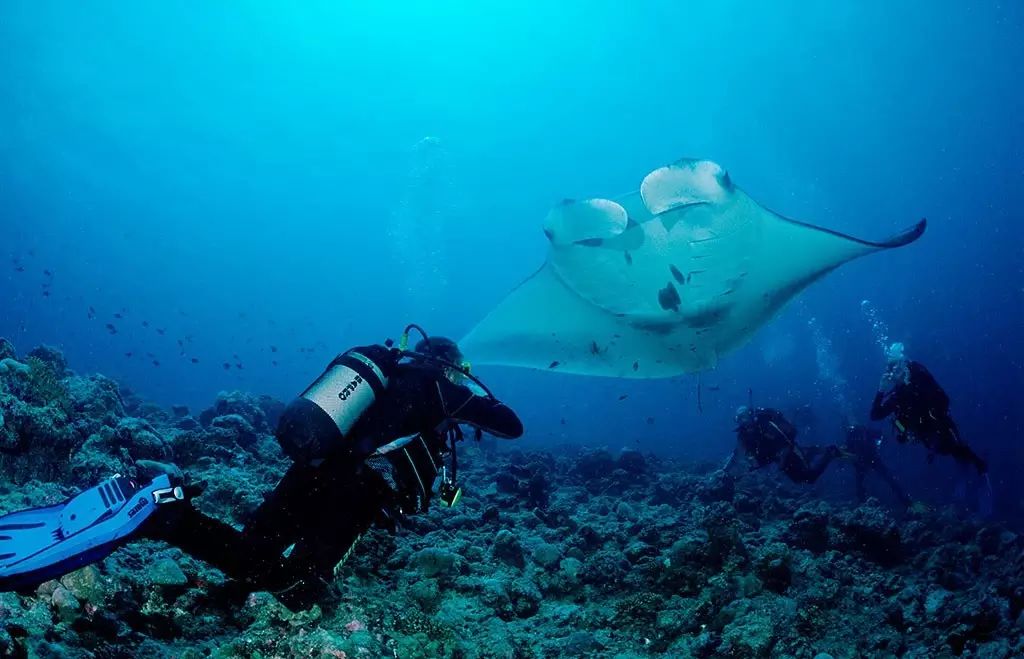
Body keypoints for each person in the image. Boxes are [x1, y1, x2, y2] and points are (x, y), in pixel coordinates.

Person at [0, 328, 523, 609]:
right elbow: (511, 425)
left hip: (311, 466)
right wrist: (470, 388)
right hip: (358, 489)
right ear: (451, 365)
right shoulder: (444, 388)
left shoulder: (381, 376)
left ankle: (201, 556)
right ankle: (168, 517)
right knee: (300, 589)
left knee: (254, 553)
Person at [869, 344, 986, 475]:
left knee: (954, 447)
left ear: (904, 365)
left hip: (941, 426)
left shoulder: (918, 376)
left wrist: (902, 359)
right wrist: (881, 390)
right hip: (925, 435)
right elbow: (875, 415)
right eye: (893, 371)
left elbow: (942, 398)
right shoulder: (897, 397)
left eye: (898, 367)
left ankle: (977, 462)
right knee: (946, 450)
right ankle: (965, 461)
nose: (897, 373)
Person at [723, 406, 841, 484]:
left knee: (810, 477)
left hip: (788, 451)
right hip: (777, 459)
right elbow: (737, 453)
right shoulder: (743, 435)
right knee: (800, 480)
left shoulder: (765, 425)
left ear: (750, 415)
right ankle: (810, 451)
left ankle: (830, 452)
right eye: (738, 419)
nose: (742, 422)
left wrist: (780, 466)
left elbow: (785, 442)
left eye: (744, 417)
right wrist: (724, 471)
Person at [844, 424, 911, 506]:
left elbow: (881, 436)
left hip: (870, 459)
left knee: (887, 478)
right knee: (886, 478)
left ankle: (903, 498)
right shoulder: (854, 434)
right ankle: (862, 502)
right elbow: (848, 450)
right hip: (865, 461)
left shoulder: (862, 431)